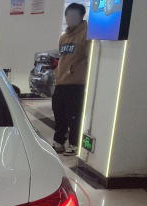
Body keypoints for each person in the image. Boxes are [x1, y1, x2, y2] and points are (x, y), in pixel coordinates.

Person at [52, 3, 88, 156]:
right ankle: (59, 141)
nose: (70, 19)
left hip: (76, 83)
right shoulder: (64, 37)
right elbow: (63, 58)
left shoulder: (86, 35)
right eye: (68, 16)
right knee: (59, 113)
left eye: (73, 16)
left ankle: (74, 144)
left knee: (73, 116)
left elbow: (89, 59)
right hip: (61, 82)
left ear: (81, 16)